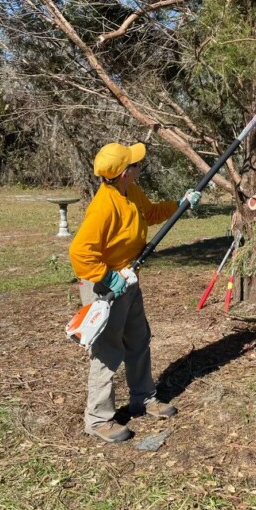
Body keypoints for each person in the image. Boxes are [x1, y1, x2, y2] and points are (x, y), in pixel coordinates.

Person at [69, 142, 201, 443]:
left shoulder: (130, 192)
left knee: (139, 338)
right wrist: (106, 277)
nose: (140, 166)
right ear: (125, 173)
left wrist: (180, 204)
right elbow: (79, 252)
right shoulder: (104, 206)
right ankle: (99, 419)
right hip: (104, 286)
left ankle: (143, 397)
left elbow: (151, 213)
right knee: (108, 350)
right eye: (136, 164)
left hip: (128, 279)